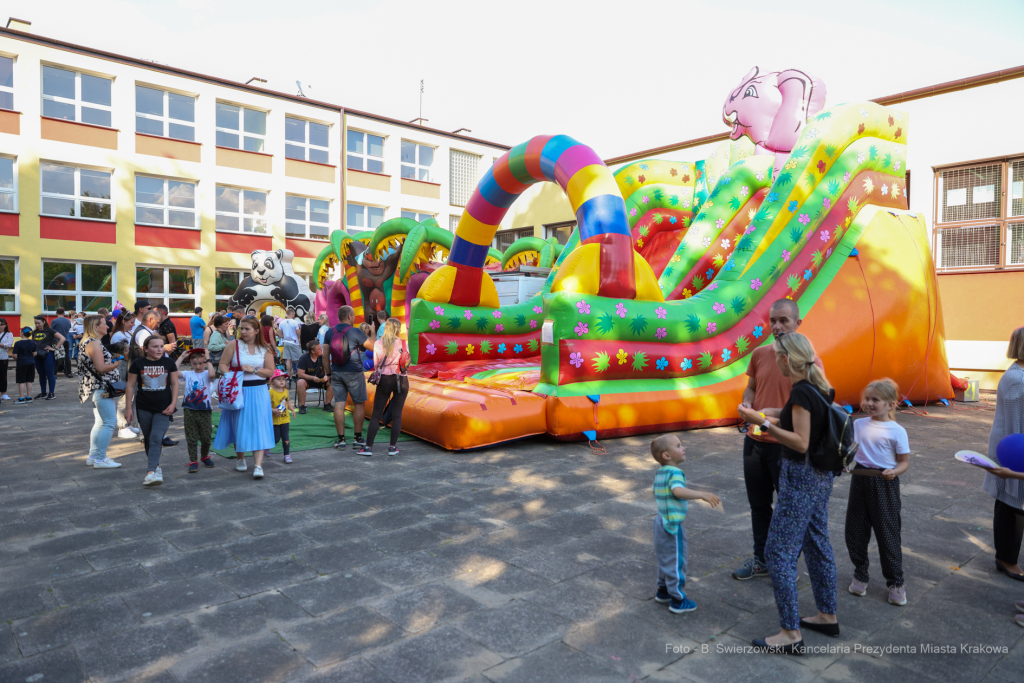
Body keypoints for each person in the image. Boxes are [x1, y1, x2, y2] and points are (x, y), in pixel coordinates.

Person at [738, 332, 839, 654]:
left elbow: (801, 441)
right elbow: (812, 420)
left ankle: (790, 633)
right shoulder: (819, 387)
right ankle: (826, 614)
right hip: (821, 477)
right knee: (817, 542)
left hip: (801, 477)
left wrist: (762, 423)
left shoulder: (800, 392)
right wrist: (776, 411)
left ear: (786, 359)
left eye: (777, 355)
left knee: (778, 554)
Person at [733, 299, 823, 581]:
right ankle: (762, 560)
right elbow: (751, 387)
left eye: (783, 320)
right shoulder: (760, 354)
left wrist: (771, 419)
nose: (777, 326)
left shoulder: (810, 361)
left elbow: (817, 408)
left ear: (798, 324)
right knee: (759, 505)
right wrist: (748, 405)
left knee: (791, 510)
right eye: (772, 320)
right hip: (755, 442)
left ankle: (784, 563)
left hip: (789, 447)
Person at [845, 378, 911, 606]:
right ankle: (860, 574)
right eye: (867, 398)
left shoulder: (898, 431)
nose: (869, 403)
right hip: (860, 480)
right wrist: (845, 461)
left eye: (876, 400)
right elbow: (851, 450)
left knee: (887, 533)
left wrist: (895, 472)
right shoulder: (858, 424)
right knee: (855, 529)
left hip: (884, 483)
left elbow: (904, 462)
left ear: (891, 405)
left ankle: (895, 582)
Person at [649, 434, 721, 615]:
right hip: (672, 525)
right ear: (667, 455)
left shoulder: (660, 472)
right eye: (679, 446)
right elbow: (678, 491)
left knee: (665, 558)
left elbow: (657, 492)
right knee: (677, 561)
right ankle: (678, 600)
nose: (684, 448)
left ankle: (663, 591)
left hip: (660, 520)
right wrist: (702, 494)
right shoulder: (674, 473)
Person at [984, 326, 1024, 582]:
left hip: (1015, 445)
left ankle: (1006, 555)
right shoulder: (1017, 379)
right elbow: (1015, 423)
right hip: (1013, 447)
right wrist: (1017, 461)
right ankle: (1006, 558)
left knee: (1014, 500)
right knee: (1012, 502)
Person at [213, 316, 275, 479]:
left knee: (258, 425)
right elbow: (222, 364)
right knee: (238, 424)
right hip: (238, 391)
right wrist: (231, 378)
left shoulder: (266, 348)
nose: (243, 332)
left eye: (247, 329)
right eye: (242, 328)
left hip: (259, 391)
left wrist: (254, 370)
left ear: (256, 330)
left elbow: (270, 371)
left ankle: (258, 465)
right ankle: (240, 458)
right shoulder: (234, 344)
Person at [125, 336, 179, 486]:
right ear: (146, 349)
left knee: (156, 437)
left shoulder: (169, 362)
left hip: (164, 408)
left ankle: (150, 472)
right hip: (144, 407)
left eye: (162, 346)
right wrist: (128, 408)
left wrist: (173, 403)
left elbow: (175, 384)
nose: (159, 349)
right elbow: (130, 386)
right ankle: (156, 468)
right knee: (149, 439)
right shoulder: (138, 363)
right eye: (155, 346)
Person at [322, 305, 375, 449]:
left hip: (336, 372)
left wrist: (328, 374)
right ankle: (357, 438)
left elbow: (325, 356)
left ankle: (341, 439)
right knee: (359, 404)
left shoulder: (329, 332)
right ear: (349, 317)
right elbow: (373, 347)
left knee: (339, 404)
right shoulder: (355, 332)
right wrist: (373, 332)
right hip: (354, 372)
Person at [76, 314, 124, 469]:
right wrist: (116, 364)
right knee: (110, 422)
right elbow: (101, 368)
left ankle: (93, 456)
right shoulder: (94, 344)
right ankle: (101, 459)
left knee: (100, 422)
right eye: (104, 323)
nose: (108, 326)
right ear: (96, 327)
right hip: (102, 387)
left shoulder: (88, 342)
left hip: (96, 387)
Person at [358, 318, 410, 457]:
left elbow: (376, 364)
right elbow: (407, 361)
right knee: (397, 414)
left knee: (376, 414)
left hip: (385, 379)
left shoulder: (378, 344)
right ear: (397, 329)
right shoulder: (403, 343)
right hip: (401, 379)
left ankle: (368, 447)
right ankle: (392, 447)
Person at [176, 349, 216, 473]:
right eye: (194, 363)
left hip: (204, 410)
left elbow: (212, 375)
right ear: (190, 363)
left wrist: (208, 357)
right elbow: (173, 371)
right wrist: (182, 356)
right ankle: (193, 460)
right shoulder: (188, 374)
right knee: (191, 437)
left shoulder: (206, 374)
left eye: (201, 363)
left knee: (206, 437)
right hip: (189, 410)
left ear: (205, 363)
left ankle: (204, 456)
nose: (198, 366)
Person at [32, 314, 65, 400]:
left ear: (44, 322)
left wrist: (54, 349)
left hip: (48, 354)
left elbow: (62, 338)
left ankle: (51, 393)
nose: (37, 325)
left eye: (39, 323)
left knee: (50, 374)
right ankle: (43, 393)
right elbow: (33, 342)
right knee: (41, 374)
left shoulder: (50, 330)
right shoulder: (35, 332)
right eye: (36, 323)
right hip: (37, 355)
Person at [296, 340, 333, 414]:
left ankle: (327, 404)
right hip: (307, 380)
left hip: (320, 379)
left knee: (333, 381)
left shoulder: (323, 357)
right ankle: (302, 406)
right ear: (312, 351)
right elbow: (300, 374)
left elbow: (327, 371)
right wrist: (312, 378)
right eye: (319, 349)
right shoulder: (304, 358)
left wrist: (326, 376)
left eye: (321, 347)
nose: (321, 349)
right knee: (300, 382)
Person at [269, 369, 296, 464]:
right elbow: (265, 406)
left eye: (283, 379)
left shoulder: (285, 391)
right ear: (272, 381)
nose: (282, 381)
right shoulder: (270, 392)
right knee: (276, 438)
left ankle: (287, 455)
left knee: (286, 437)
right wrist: (272, 410)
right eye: (278, 379)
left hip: (285, 419)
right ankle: (267, 447)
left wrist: (292, 409)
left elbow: (287, 401)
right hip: (274, 420)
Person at [12, 327, 36, 403]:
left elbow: (15, 355)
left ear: (22, 333)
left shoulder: (18, 343)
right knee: (29, 381)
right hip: (31, 362)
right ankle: (29, 397)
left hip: (21, 363)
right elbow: (35, 353)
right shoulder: (32, 342)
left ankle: (21, 398)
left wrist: (16, 359)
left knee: (21, 381)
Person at [278, 307, 303, 379]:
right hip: (294, 342)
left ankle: (289, 375)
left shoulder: (282, 322)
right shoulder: (295, 322)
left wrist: (283, 338)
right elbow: (299, 333)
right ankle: (299, 374)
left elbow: (279, 334)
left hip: (286, 342)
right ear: (292, 313)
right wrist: (298, 340)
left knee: (288, 359)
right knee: (299, 359)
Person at [50, 307, 73, 377]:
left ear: (56, 313)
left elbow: (51, 331)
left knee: (57, 356)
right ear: (64, 313)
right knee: (67, 357)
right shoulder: (68, 321)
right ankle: (69, 372)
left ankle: (54, 373)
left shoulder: (54, 321)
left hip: (57, 341)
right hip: (66, 340)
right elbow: (68, 328)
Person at [0, 317, 12, 402]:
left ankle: (3, 393)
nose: (0, 326)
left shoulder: (8, 334)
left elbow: (9, 344)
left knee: (3, 376)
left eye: (2, 325)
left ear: (5, 325)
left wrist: (1, 344)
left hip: (3, 357)